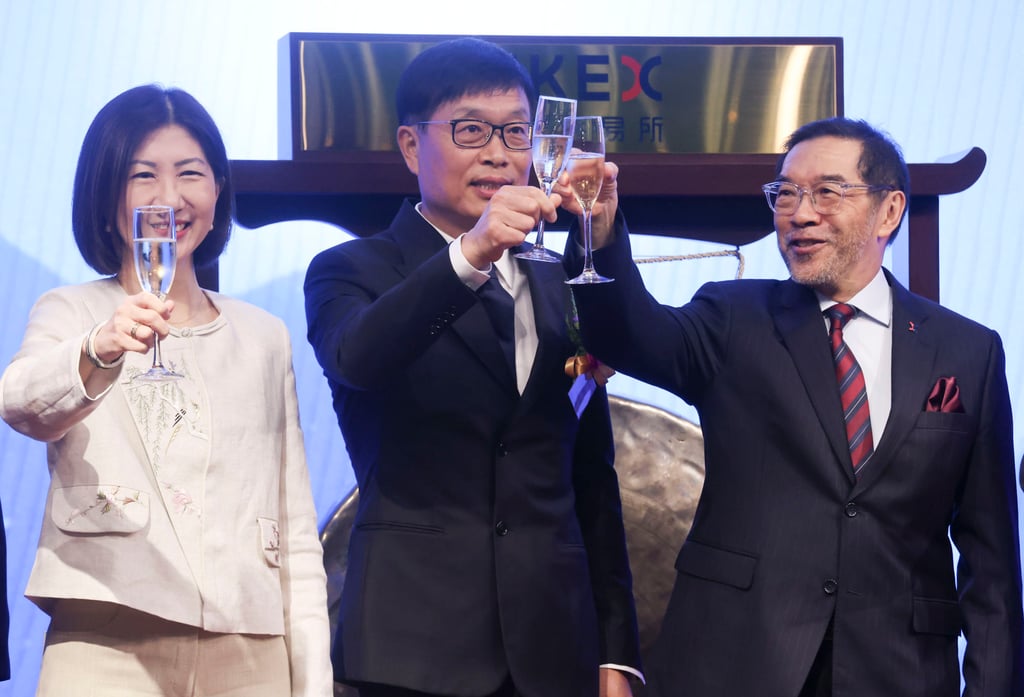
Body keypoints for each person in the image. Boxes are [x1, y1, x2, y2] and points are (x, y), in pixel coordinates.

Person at [566, 117, 1023, 696]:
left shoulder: (969, 351)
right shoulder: (733, 319)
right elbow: (628, 334)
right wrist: (598, 234)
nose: (800, 213)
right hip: (734, 665)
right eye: (785, 193)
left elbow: (993, 568)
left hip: (898, 672)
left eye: (828, 192)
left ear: (889, 211)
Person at [304, 37, 642, 697]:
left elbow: (591, 475)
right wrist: (473, 252)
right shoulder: (351, 271)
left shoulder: (560, 280)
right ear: (410, 146)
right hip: (412, 652)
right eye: (470, 131)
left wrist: (616, 650)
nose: (497, 153)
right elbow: (360, 358)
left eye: (516, 131)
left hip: (555, 656)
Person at [0, 84, 332, 697]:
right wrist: (99, 345)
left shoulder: (264, 335)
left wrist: (311, 679)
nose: (169, 198)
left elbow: (295, 524)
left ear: (217, 192)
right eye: (143, 175)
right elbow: (21, 403)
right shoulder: (70, 310)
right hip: (106, 638)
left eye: (191, 174)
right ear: (106, 201)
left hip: (249, 647)